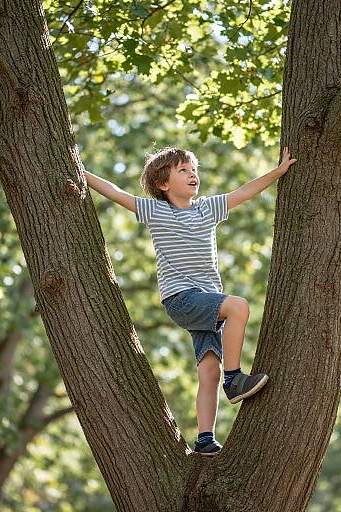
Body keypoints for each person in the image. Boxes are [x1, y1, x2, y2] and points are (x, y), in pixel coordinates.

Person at [67, 145, 297, 456]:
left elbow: (245, 192)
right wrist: (79, 167)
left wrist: (278, 172)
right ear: (163, 184)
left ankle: (204, 439)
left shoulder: (208, 209)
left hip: (206, 303)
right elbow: (114, 191)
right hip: (182, 299)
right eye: (183, 170)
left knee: (208, 371)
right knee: (238, 306)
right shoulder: (156, 211)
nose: (193, 175)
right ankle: (235, 380)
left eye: (193, 170)